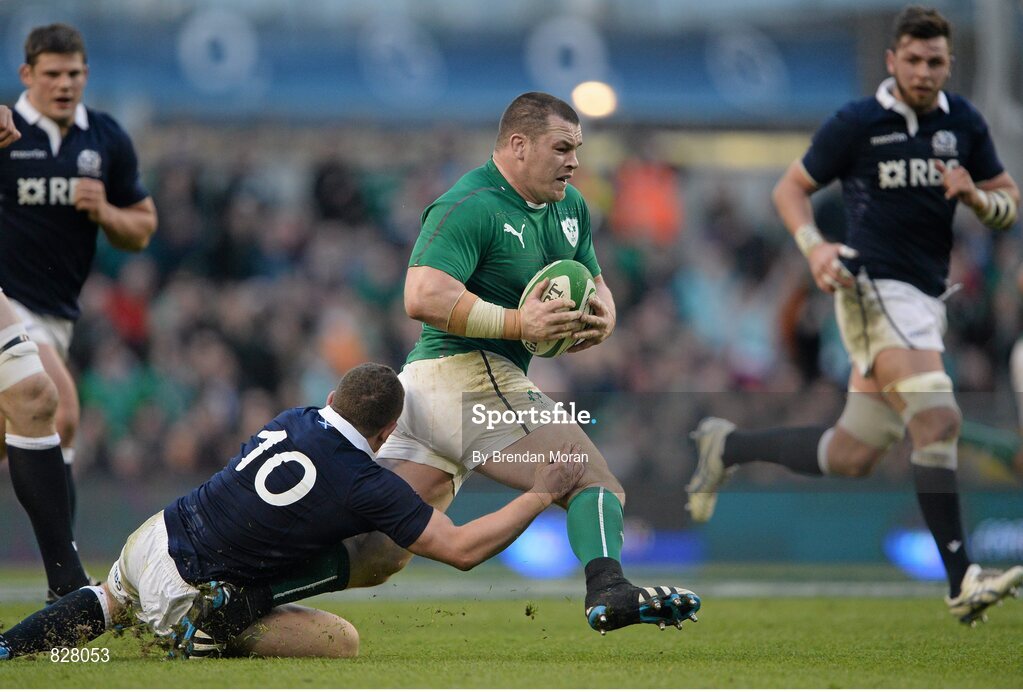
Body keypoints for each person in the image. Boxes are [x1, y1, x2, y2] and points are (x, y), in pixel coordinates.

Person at [222, 92, 700, 638]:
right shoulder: (471, 203)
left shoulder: (570, 208)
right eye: (562, 147)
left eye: (578, 149)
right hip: (467, 377)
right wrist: (522, 326)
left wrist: (604, 320)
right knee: (593, 480)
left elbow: (597, 285)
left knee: (381, 549)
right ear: (518, 146)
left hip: (434, 394)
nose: (574, 161)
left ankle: (240, 595)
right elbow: (421, 294)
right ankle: (609, 589)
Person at [686, 5, 1022, 625]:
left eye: (936, 61)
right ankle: (963, 578)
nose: (924, 71)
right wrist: (814, 248)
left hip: (926, 299)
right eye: (913, 60)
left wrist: (976, 196)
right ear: (892, 61)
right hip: (871, 290)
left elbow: (1009, 201)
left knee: (852, 453)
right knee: (939, 416)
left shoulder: (964, 123)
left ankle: (728, 445)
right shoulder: (858, 122)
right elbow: (789, 188)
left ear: (949, 64)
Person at [0, 363, 586, 660]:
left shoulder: (293, 418)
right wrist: (538, 493)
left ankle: (8, 648)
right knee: (342, 641)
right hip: (192, 590)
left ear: (333, 398)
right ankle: (208, 634)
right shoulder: (365, 484)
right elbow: (459, 550)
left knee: (109, 599)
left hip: (156, 534)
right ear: (385, 434)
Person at [0, 22, 158, 598]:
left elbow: (142, 228)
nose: (64, 84)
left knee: (31, 427)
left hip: (57, 315)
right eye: (52, 74)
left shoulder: (107, 139)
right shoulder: (7, 131)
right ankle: (65, 585)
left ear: (86, 74)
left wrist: (106, 214)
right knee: (59, 405)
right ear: (27, 75)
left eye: (73, 73)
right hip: (9, 300)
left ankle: (62, 584)